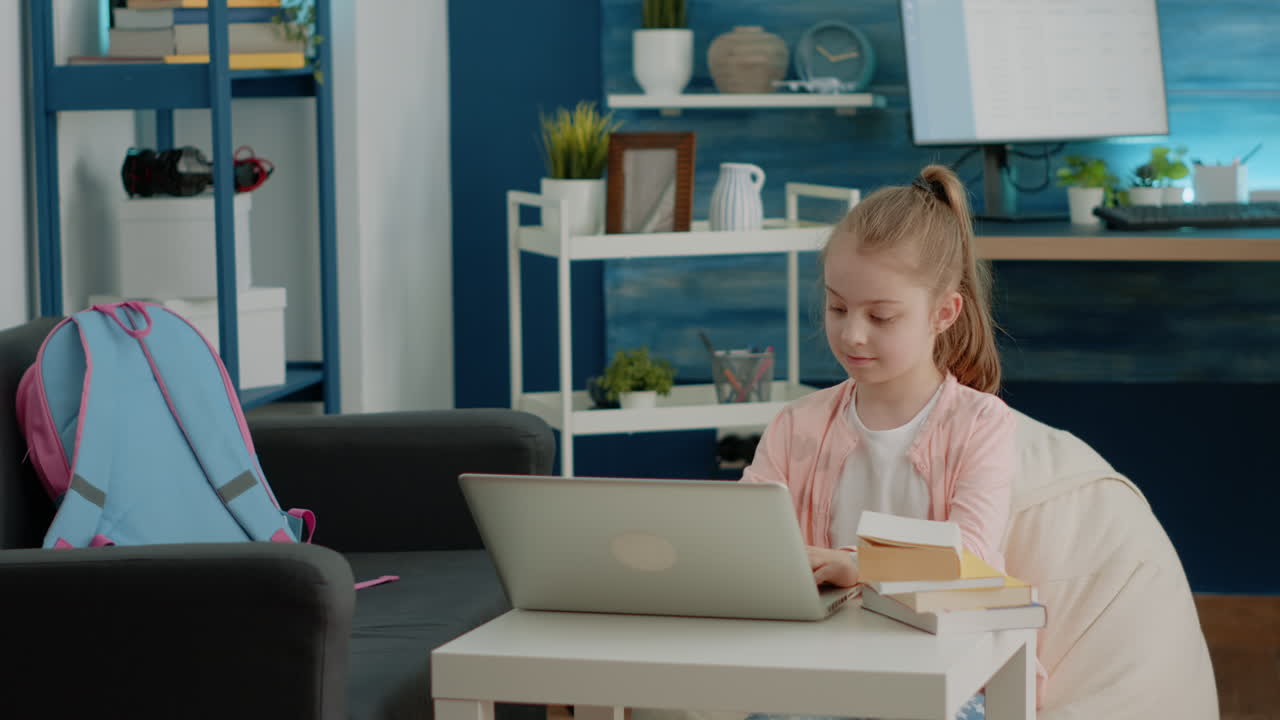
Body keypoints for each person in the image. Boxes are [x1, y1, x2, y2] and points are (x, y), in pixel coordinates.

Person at [739, 164, 1032, 720]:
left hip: (947, 679)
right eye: (837, 307)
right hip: (820, 675)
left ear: (943, 313)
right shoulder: (796, 425)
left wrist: (860, 564)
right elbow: (746, 539)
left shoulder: (981, 424)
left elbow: (970, 556)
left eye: (881, 315)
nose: (852, 333)